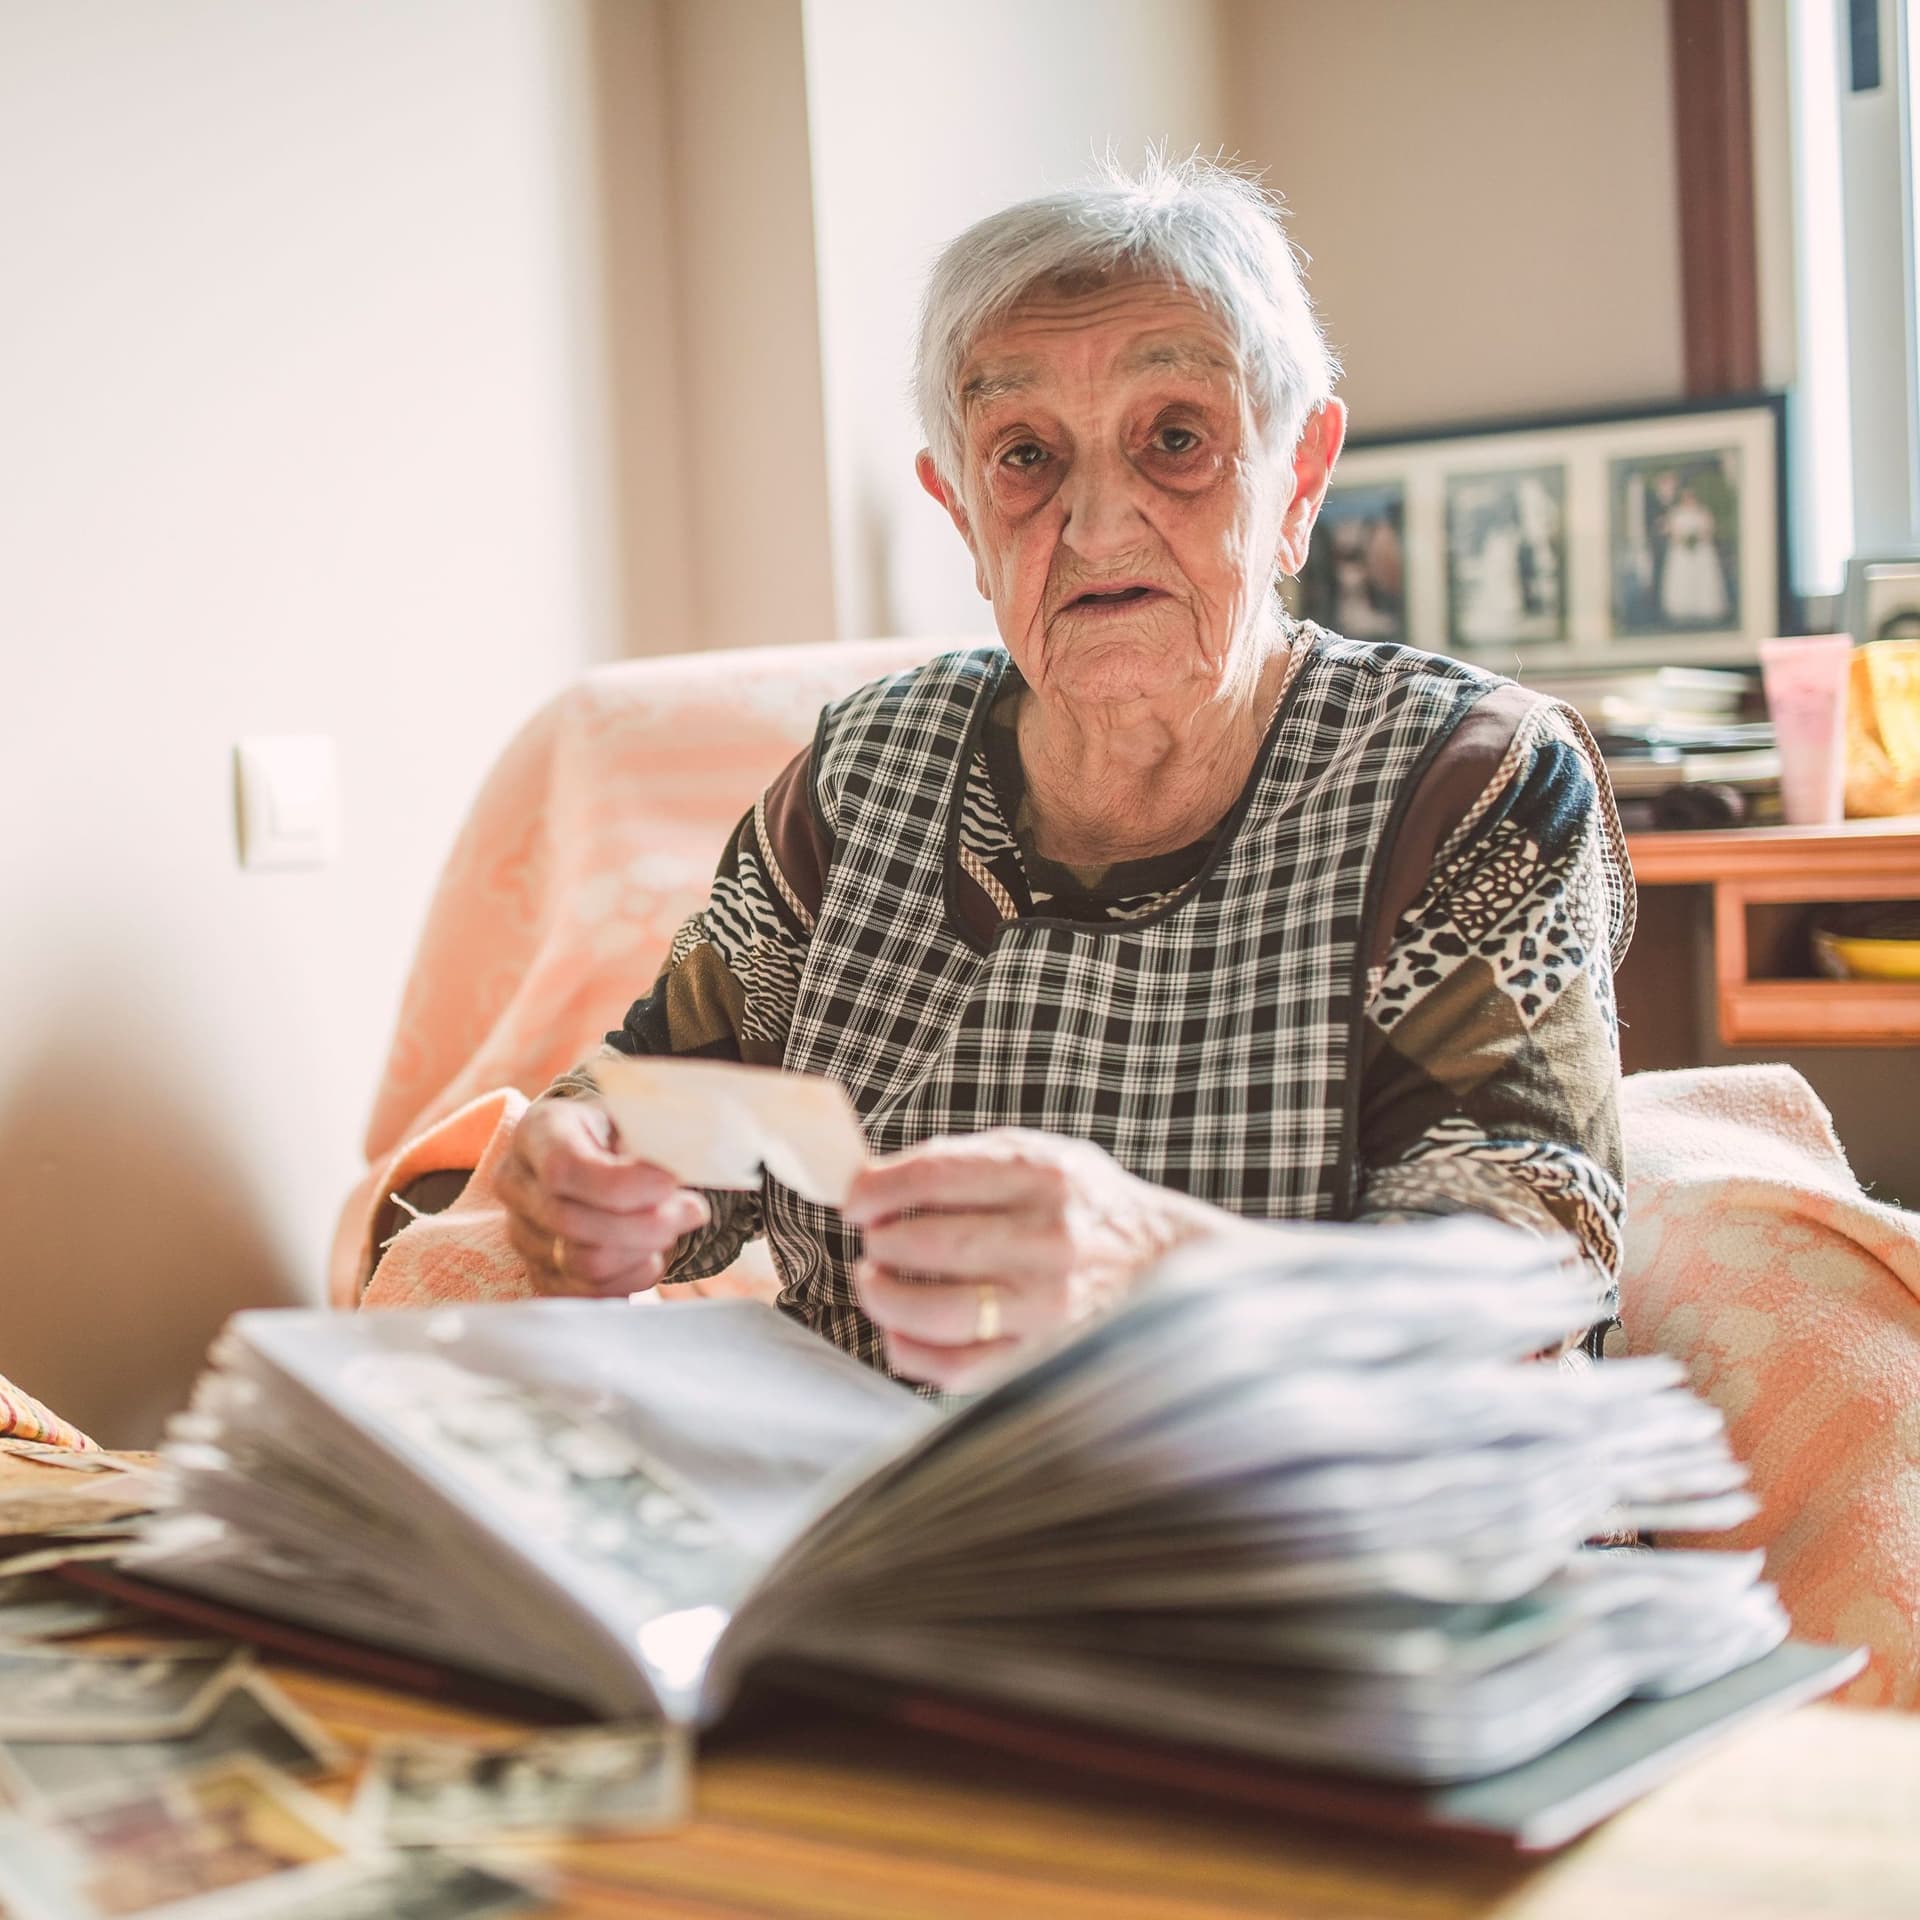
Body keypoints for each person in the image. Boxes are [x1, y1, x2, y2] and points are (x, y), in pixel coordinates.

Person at [494, 157, 1632, 1392]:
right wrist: (584, 1160)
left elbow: (1526, 1281)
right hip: (893, 1510)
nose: (1097, 528)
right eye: (1025, 454)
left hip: (1304, 1523)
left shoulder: (1465, 783)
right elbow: (668, 1106)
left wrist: (1157, 1267)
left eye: (1178, 440)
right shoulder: (860, 778)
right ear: (960, 511)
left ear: (1299, 474)